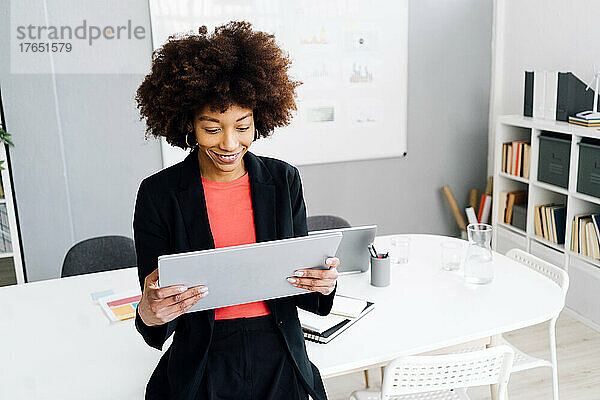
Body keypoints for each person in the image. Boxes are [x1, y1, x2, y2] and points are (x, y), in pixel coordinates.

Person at [134, 21, 340, 400]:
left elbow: (304, 290)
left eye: (242, 126)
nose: (230, 143)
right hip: (204, 356)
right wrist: (150, 311)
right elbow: (152, 316)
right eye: (211, 128)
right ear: (188, 126)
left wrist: (323, 283)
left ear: (259, 119)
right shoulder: (158, 194)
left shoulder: (283, 181)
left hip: (277, 350)